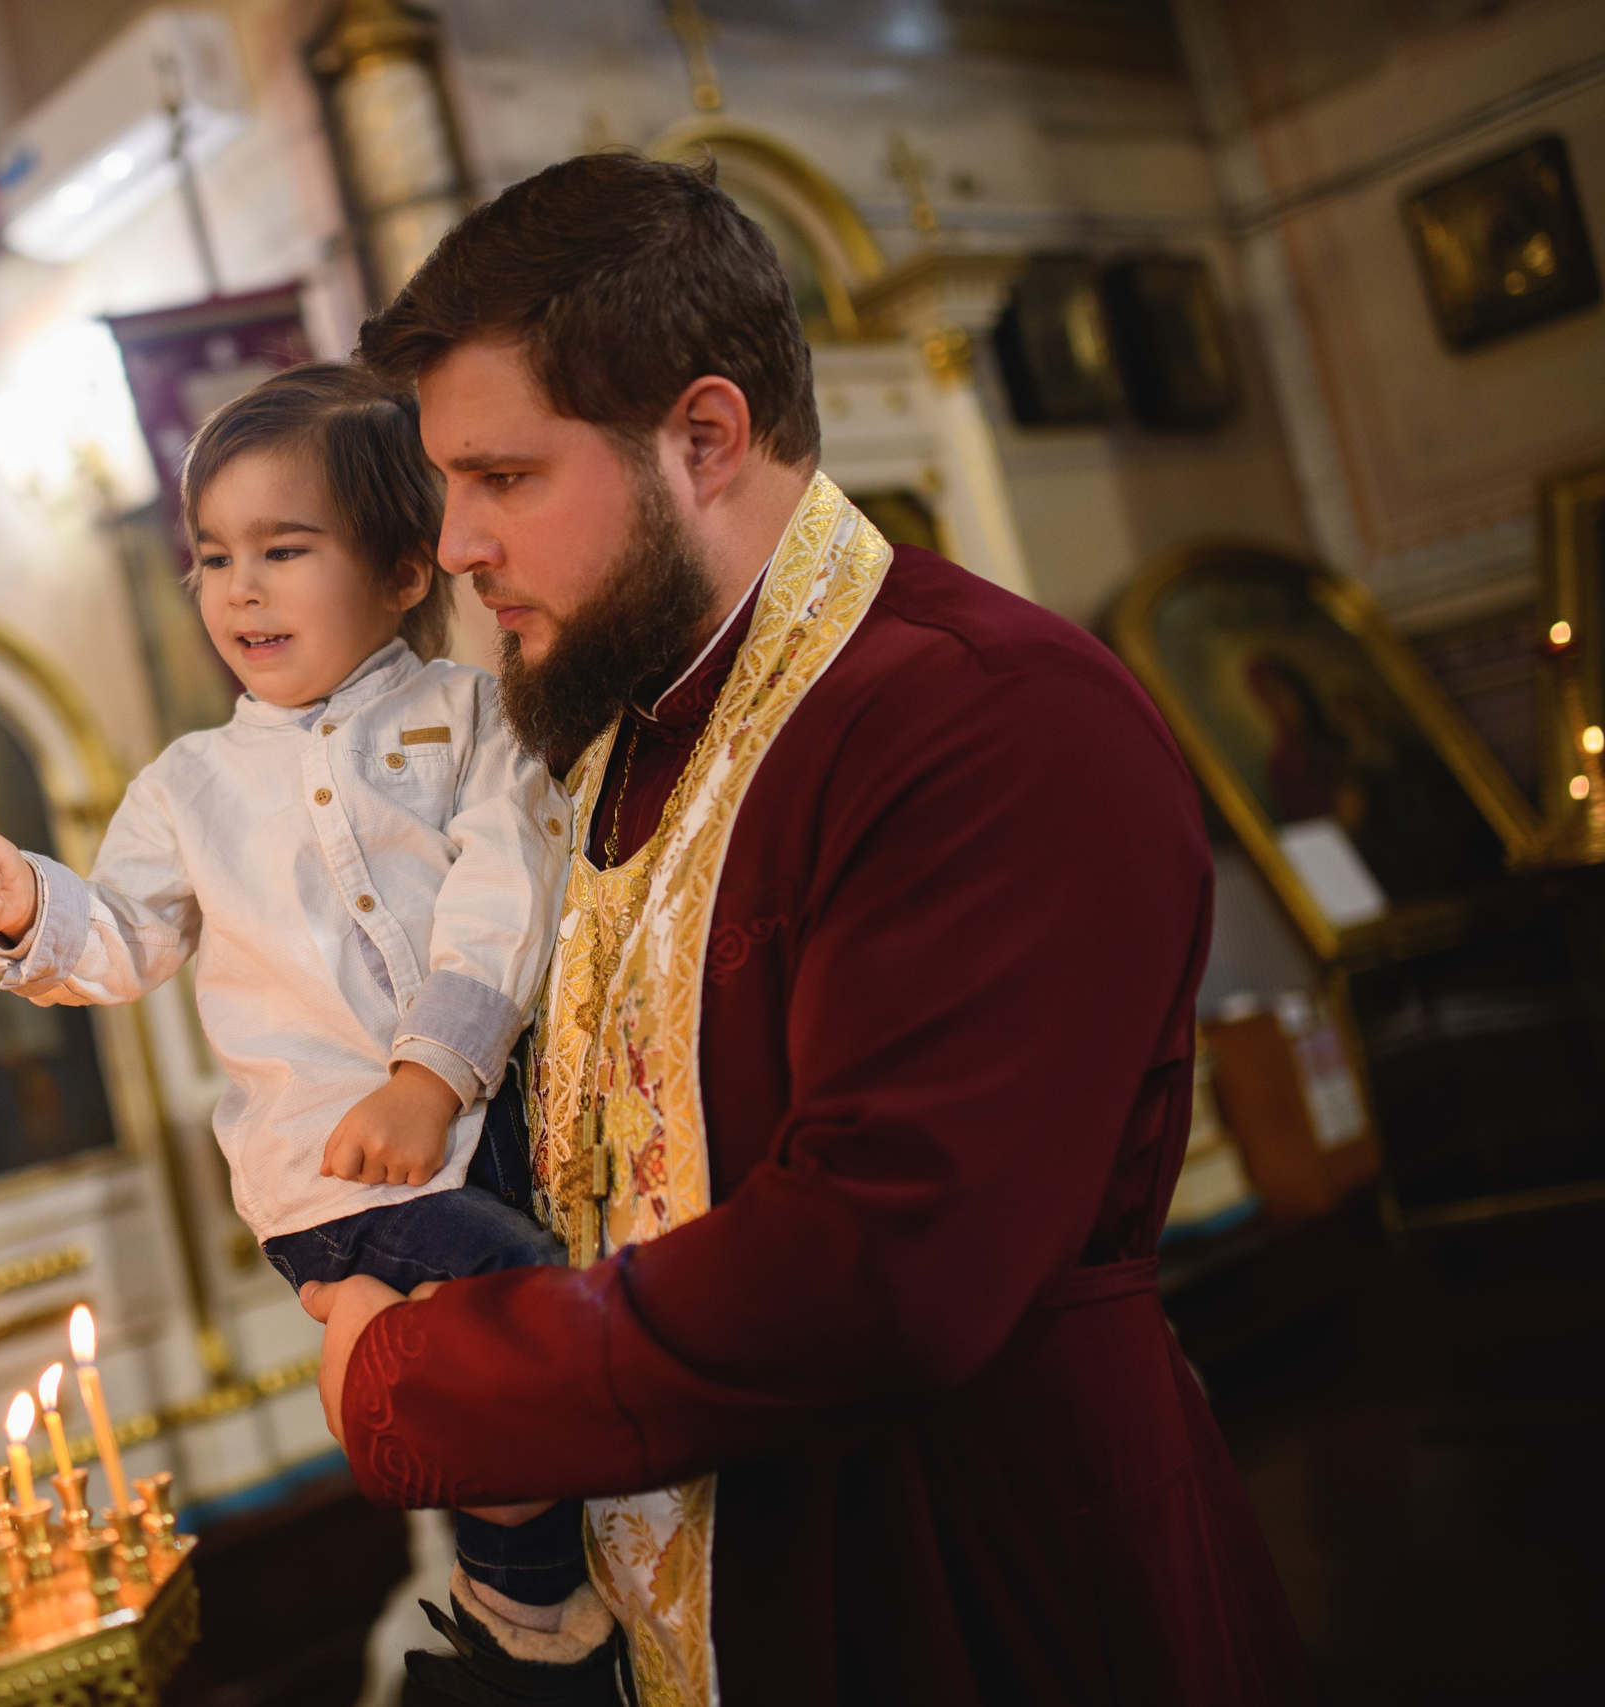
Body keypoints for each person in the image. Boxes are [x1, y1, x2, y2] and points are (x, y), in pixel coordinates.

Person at [299, 153, 1314, 1706]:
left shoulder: (988, 721)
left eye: (504, 477)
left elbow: (878, 1270)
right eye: (450, 484)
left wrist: (423, 1380)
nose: (455, 545)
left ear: (705, 437)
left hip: (979, 1591)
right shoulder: (633, 738)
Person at [0, 363, 598, 1674]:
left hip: (482, 1132)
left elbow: (504, 891)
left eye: (283, 551)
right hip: (330, 1173)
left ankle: (440, 1436)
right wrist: (25, 905)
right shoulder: (187, 787)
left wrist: (433, 1076)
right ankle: (518, 1602)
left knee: (508, 1325)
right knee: (534, 1311)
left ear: (402, 571)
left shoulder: (472, 715)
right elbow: (120, 938)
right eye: (213, 558)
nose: (239, 589)